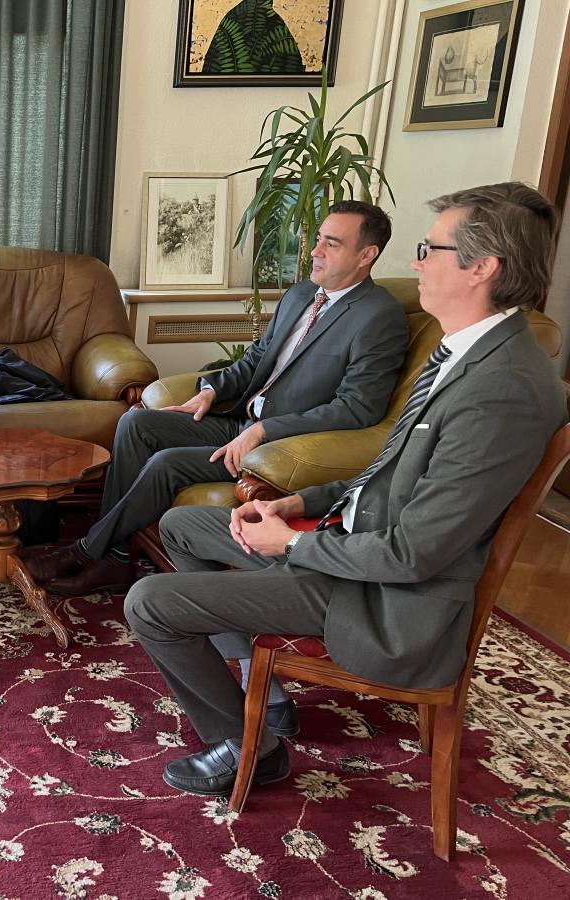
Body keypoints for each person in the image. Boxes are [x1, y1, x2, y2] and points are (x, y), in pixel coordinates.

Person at [125, 182, 566, 797]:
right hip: (348, 546)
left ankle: (251, 749)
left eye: (429, 249)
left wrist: (291, 545)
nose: (416, 264)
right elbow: (390, 473)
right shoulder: (468, 353)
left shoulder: (503, 389)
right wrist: (299, 503)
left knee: (149, 602)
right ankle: (264, 692)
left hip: (379, 596)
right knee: (181, 527)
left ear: (482, 268)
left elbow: (413, 554)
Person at [29, 200, 409, 598]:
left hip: (279, 446)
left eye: (332, 243)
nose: (315, 251)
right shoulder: (301, 295)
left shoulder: (378, 317)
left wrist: (265, 430)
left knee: (165, 464)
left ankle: (90, 553)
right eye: (318, 239)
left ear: (367, 255)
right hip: (239, 420)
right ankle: (115, 555)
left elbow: (357, 408)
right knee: (136, 422)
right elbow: (258, 358)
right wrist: (211, 391)